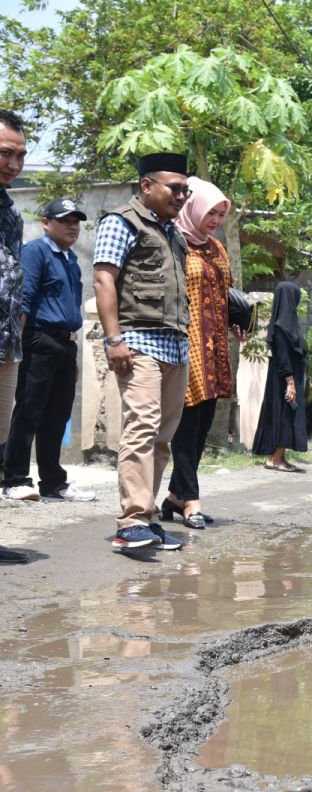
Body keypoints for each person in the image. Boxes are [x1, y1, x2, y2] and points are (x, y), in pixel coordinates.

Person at [93, 152, 193, 552]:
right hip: (138, 343)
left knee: (163, 438)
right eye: (175, 188)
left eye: (186, 189)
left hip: (173, 346)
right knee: (142, 429)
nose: (182, 196)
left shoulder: (173, 232)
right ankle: (131, 521)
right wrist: (114, 339)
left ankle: (148, 519)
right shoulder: (121, 222)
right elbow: (103, 279)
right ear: (146, 186)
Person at [2, 199, 95, 503]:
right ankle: (14, 478)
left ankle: (53, 481)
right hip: (38, 340)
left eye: (76, 222)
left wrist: (74, 353)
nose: (72, 227)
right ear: (46, 222)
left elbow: (70, 309)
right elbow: (24, 301)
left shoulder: (70, 259)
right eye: (65, 220)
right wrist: (18, 345)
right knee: (29, 411)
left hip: (65, 345)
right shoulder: (36, 252)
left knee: (57, 416)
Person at [164, 177, 241, 528]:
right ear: (193, 208)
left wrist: (238, 317)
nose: (215, 220)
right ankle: (191, 499)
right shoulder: (174, 243)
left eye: (220, 214)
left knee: (203, 424)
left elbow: (227, 291)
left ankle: (176, 496)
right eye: (210, 212)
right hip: (186, 342)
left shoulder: (216, 248)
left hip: (215, 345)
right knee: (186, 422)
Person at [0, 108, 29, 563]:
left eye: (21, 155)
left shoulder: (10, 211)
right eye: (6, 153)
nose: (13, 163)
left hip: (6, 342)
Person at [252, 282, 307, 471]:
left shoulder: (285, 324)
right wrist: (290, 382)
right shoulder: (283, 326)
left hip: (284, 378)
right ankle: (275, 459)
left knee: (285, 415)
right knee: (285, 417)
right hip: (285, 378)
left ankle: (279, 457)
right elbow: (283, 357)